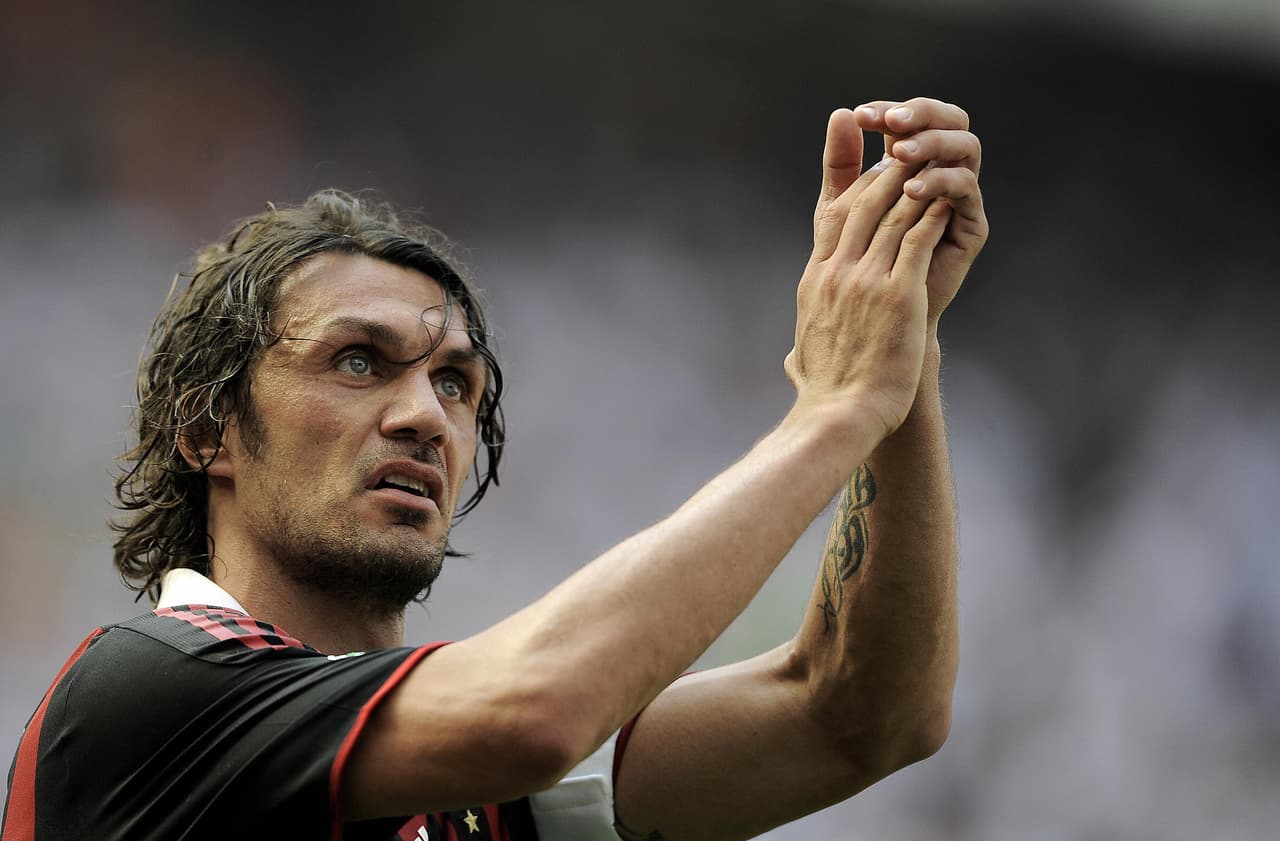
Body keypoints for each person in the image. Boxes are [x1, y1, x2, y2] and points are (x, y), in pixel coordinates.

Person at [3, 97, 987, 841]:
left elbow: (859, 717)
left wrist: (901, 353)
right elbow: (538, 708)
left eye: (455, 385)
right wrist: (835, 408)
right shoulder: (150, 689)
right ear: (207, 432)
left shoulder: (460, 791)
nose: (424, 415)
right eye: (358, 361)